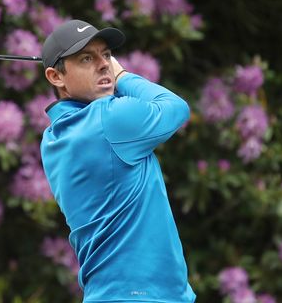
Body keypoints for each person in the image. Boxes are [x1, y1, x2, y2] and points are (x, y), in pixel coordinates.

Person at [40, 19, 196, 302]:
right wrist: (122, 75)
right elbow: (176, 108)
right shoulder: (108, 118)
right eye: (86, 58)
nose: (103, 64)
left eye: (106, 55)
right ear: (56, 77)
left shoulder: (51, 138)